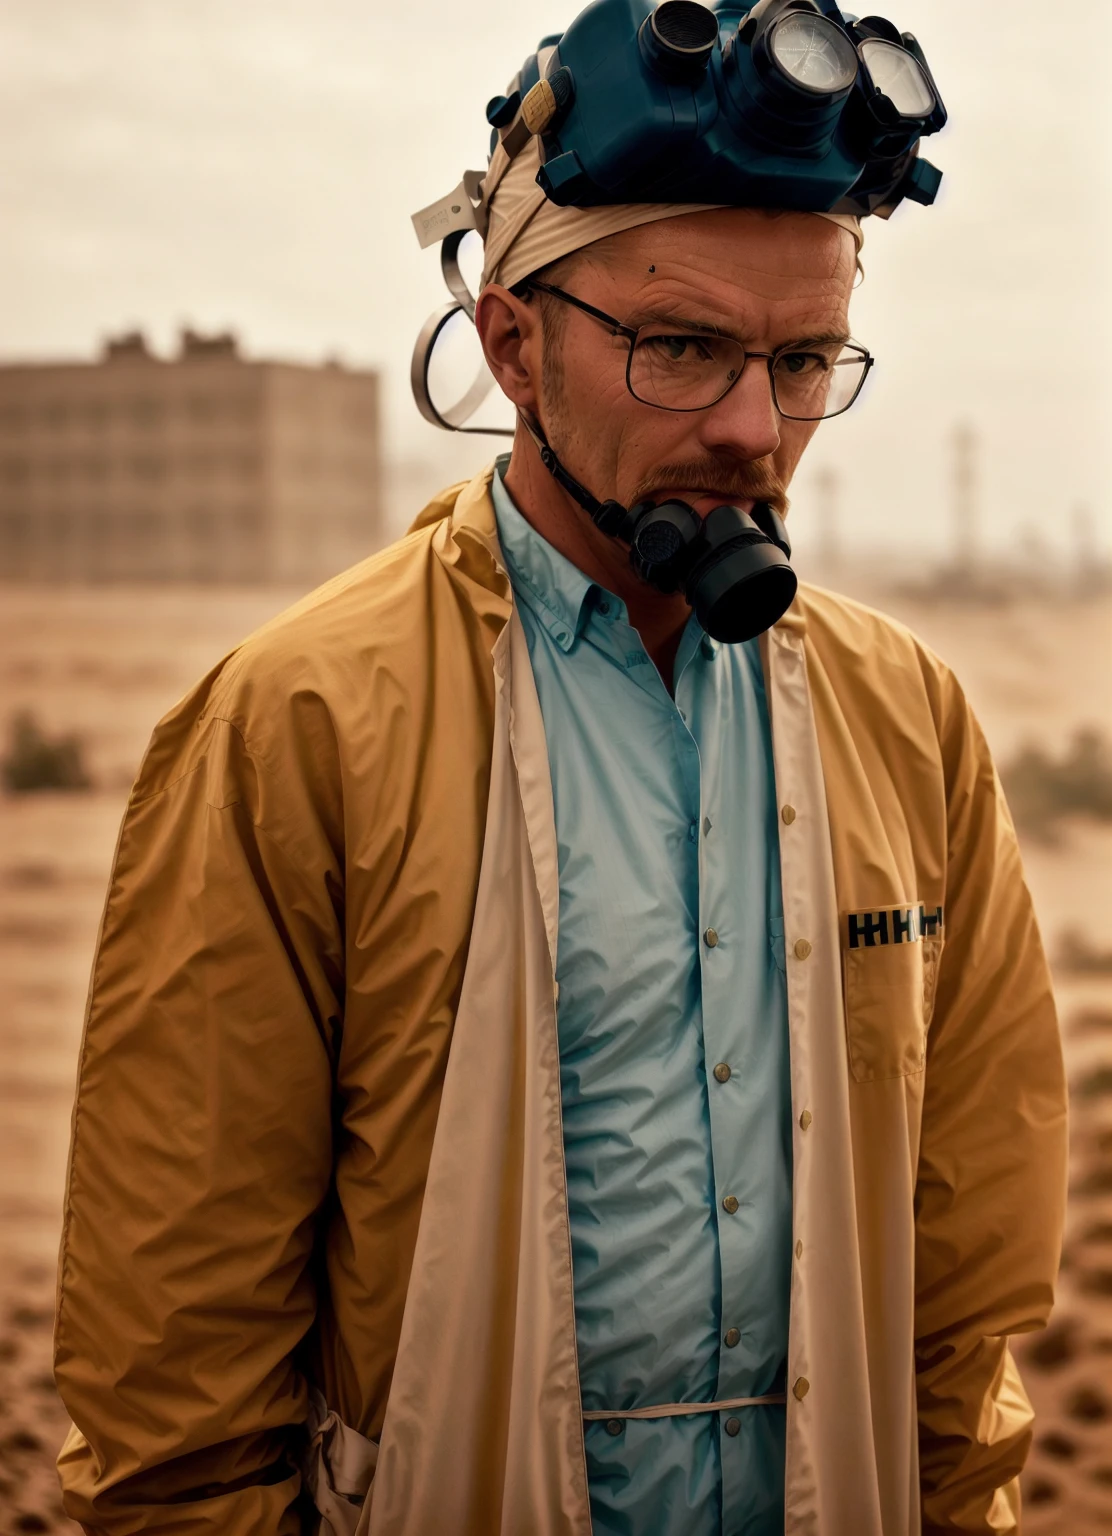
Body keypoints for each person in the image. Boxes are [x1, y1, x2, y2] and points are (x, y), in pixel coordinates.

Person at [54, 4, 1067, 1534]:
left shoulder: (905, 718)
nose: (750, 427)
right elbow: (176, 1362)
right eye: (681, 348)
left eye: (802, 361)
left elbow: (968, 1295)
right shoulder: (301, 724)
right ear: (514, 341)